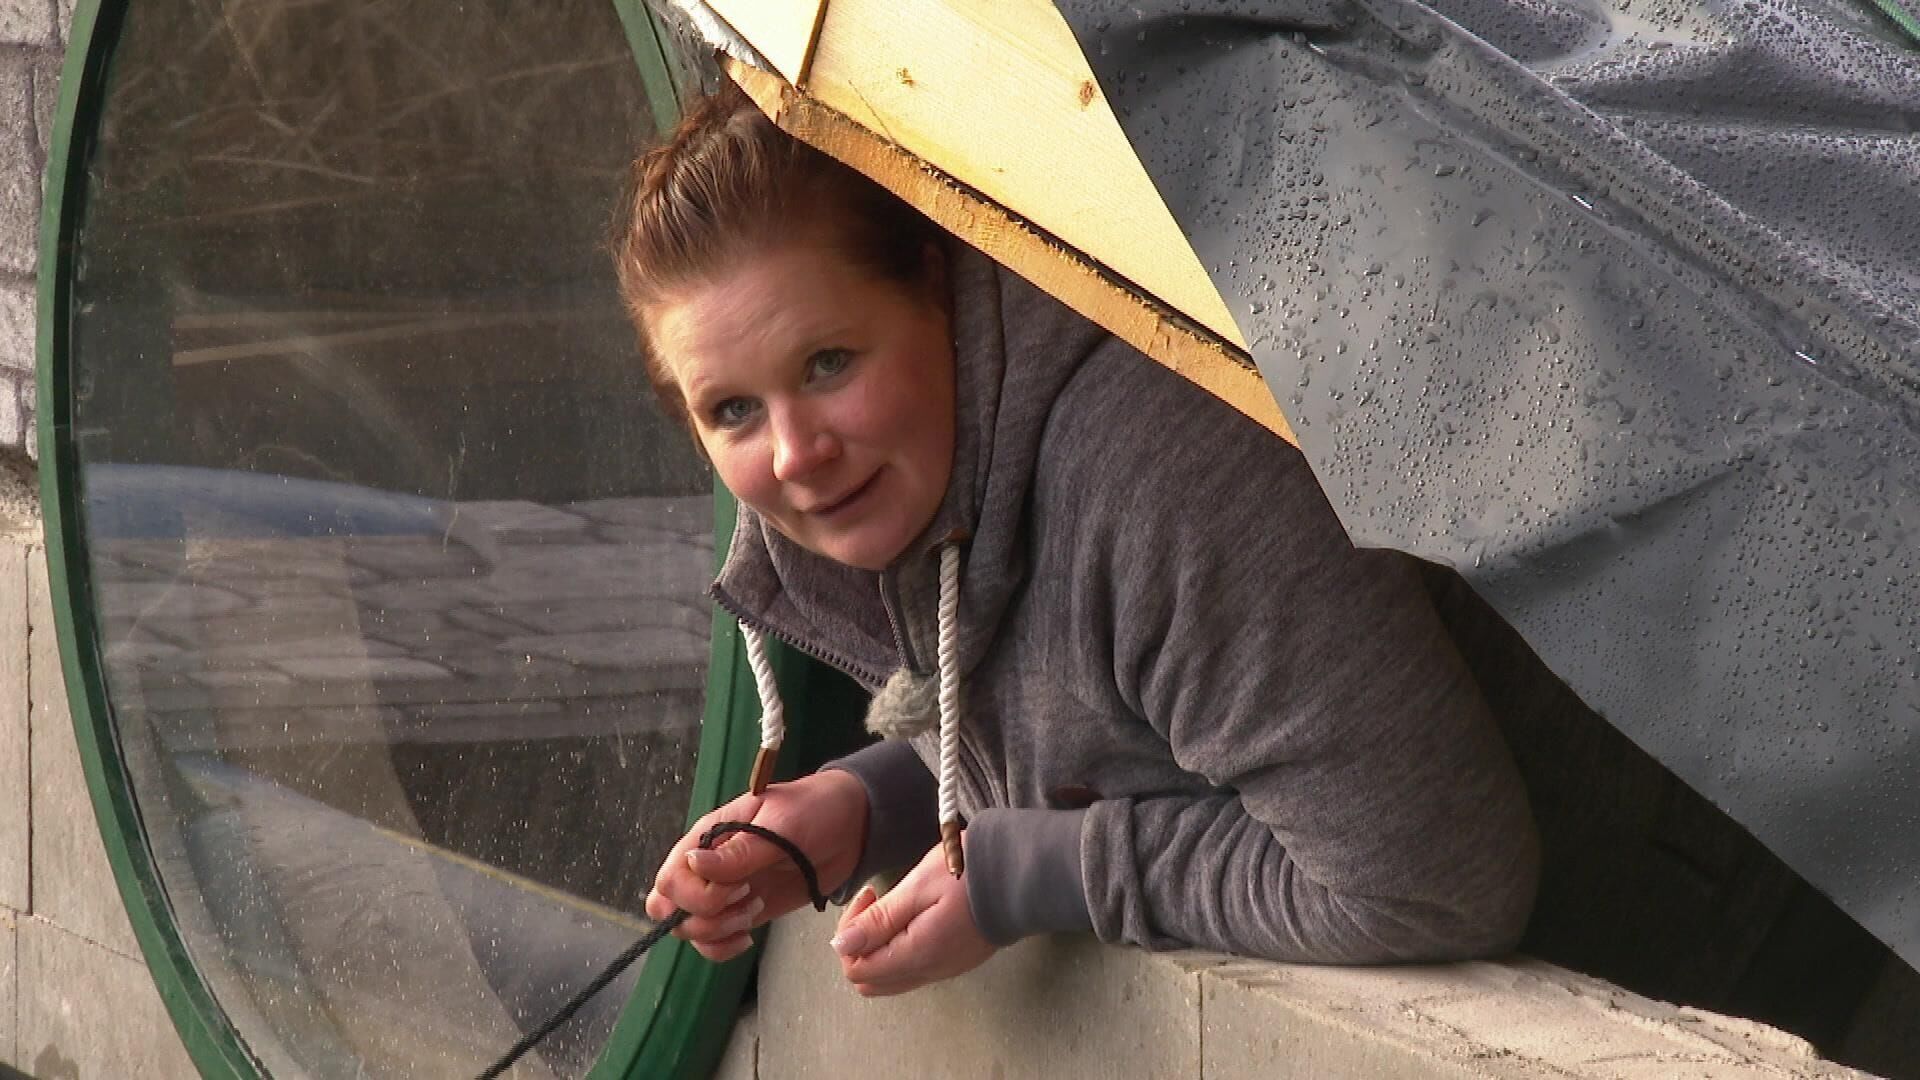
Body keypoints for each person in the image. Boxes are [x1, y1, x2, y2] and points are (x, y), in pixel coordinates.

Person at [620, 84, 1539, 998]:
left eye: (828, 364)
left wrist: (1037, 874)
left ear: (936, 285)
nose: (795, 455)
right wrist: (867, 806)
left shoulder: (1166, 478)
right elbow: (1100, 705)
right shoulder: (915, 468)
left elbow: (1434, 884)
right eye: (732, 411)